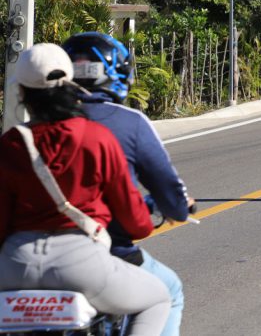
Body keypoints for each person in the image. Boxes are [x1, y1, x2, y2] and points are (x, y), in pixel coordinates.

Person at [0, 43, 171, 336]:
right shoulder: (97, 137)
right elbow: (137, 223)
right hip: (82, 264)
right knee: (158, 297)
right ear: (70, 84)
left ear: (22, 93)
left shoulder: (11, 144)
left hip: (15, 265)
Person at [62, 32, 192, 336]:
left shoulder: (27, 129)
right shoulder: (127, 123)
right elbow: (161, 199)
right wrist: (177, 208)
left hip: (20, 256)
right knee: (169, 291)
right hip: (104, 254)